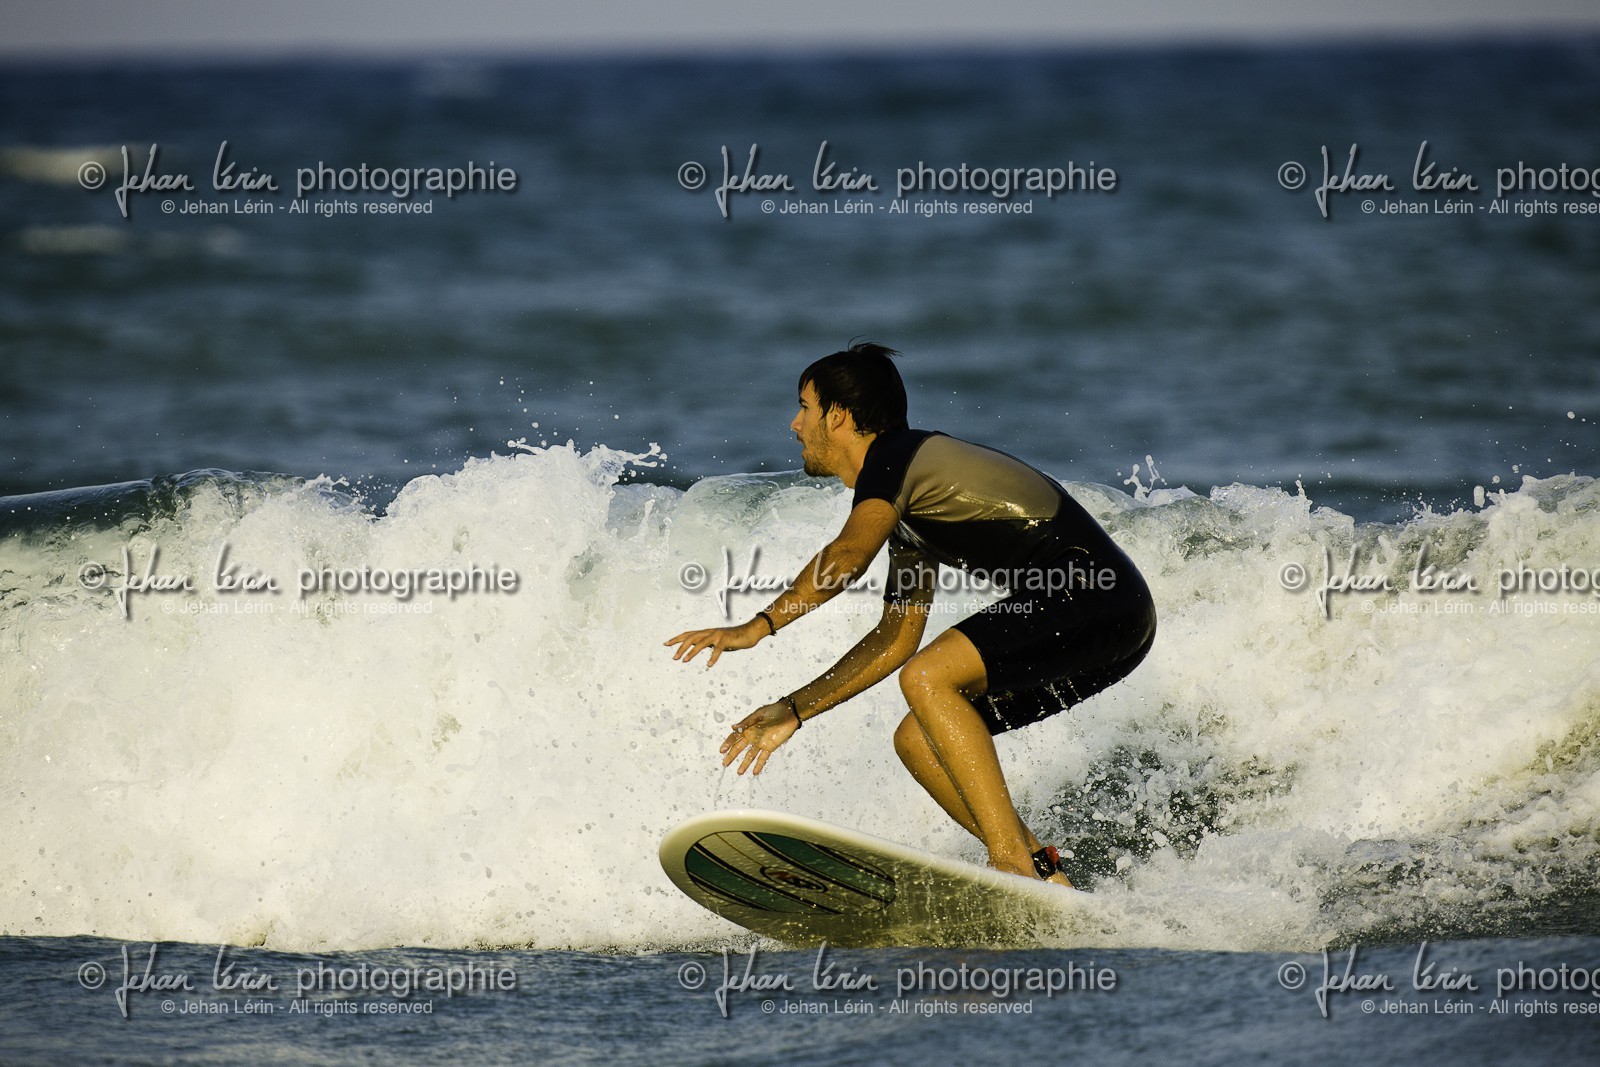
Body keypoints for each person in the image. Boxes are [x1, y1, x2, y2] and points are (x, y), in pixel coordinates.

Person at [663, 342, 1155, 887]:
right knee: (918, 739)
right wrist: (794, 710)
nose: (794, 423)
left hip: (1095, 597)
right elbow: (896, 637)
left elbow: (847, 558)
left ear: (840, 416)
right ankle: (1040, 868)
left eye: (805, 407)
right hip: (1108, 620)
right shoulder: (911, 506)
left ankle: (1010, 861)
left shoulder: (895, 460)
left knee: (928, 677)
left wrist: (757, 627)